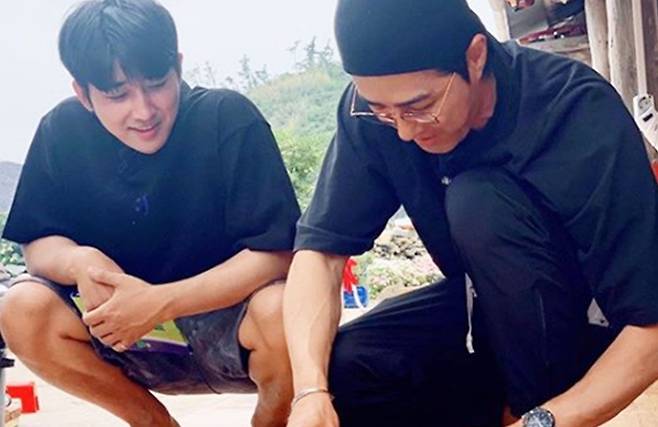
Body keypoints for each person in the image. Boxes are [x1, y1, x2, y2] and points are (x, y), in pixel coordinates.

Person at [284, 1, 658, 426]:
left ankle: (527, 408)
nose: (404, 130)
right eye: (382, 111)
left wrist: (543, 420)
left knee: (478, 201)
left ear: (475, 56)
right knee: (351, 368)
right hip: (479, 305)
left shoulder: (572, 107)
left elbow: (651, 321)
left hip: (581, 325)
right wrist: (309, 392)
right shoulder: (379, 114)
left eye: (419, 106)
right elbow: (319, 253)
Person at [0, 1, 300, 426]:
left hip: (233, 330)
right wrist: (79, 261)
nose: (143, 111)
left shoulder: (226, 118)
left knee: (286, 309)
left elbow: (279, 253)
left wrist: (159, 303)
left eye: (157, 84)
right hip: (123, 336)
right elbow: (38, 246)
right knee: (21, 308)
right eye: (117, 94)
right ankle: (153, 423)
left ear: (178, 66)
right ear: (83, 93)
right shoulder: (60, 131)